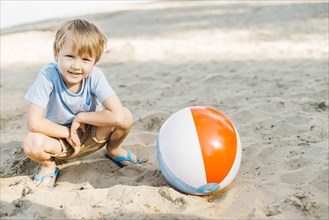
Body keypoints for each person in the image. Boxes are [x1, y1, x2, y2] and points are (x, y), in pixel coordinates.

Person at [23, 19, 140, 188]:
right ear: (56, 54)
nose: (76, 66)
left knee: (126, 116)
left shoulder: (95, 76)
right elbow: (33, 123)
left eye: (86, 59)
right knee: (32, 143)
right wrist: (68, 132)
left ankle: (114, 150)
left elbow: (118, 114)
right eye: (70, 56)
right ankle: (49, 165)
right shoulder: (48, 75)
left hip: (92, 134)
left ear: (95, 62)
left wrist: (82, 117)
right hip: (60, 141)